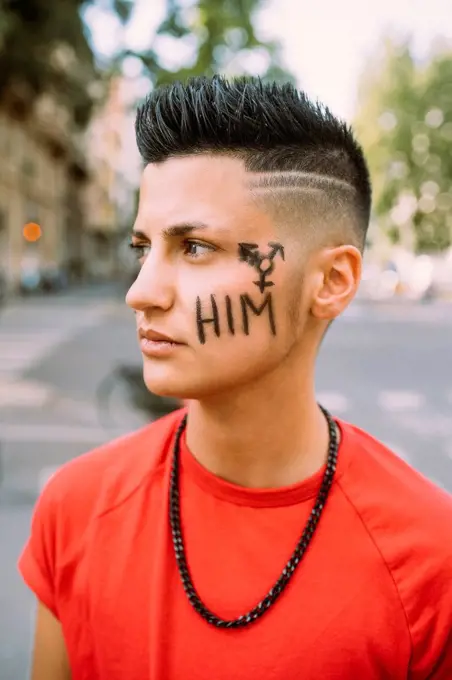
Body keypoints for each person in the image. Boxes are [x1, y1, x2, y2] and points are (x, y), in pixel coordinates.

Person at [19, 75, 452, 680]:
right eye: (143, 247)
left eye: (194, 247)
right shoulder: (76, 509)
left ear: (330, 281)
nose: (140, 292)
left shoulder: (432, 561)